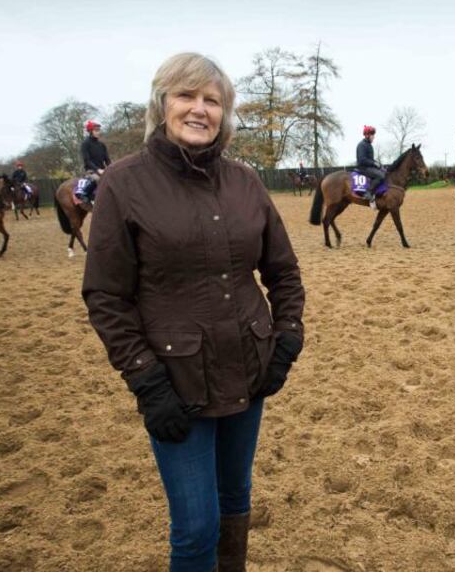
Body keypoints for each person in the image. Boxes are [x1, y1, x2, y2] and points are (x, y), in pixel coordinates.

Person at [82, 52, 305, 572]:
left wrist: (287, 338)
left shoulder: (246, 181)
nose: (199, 109)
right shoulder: (123, 183)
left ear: (224, 113)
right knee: (195, 527)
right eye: (187, 96)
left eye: (213, 100)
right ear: (162, 105)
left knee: (235, 502)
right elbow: (106, 296)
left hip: (249, 371)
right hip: (175, 384)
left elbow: (284, 271)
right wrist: (146, 380)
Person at [79, 119, 111, 205]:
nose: (98, 132)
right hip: (91, 170)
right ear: (90, 131)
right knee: (98, 179)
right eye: (96, 130)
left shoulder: (102, 145)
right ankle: (87, 197)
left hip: (102, 170)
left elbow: (107, 159)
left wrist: (112, 168)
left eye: (99, 130)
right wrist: (98, 170)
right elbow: (87, 160)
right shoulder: (85, 144)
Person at [356, 125, 383, 209]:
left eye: (373, 135)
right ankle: (368, 193)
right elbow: (362, 160)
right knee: (380, 176)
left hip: (369, 167)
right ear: (367, 135)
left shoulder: (368, 145)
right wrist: (374, 163)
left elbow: (370, 159)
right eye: (372, 135)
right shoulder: (361, 145)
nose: (373, 137)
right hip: (363, 168)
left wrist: (377, 163)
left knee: (383, 172)